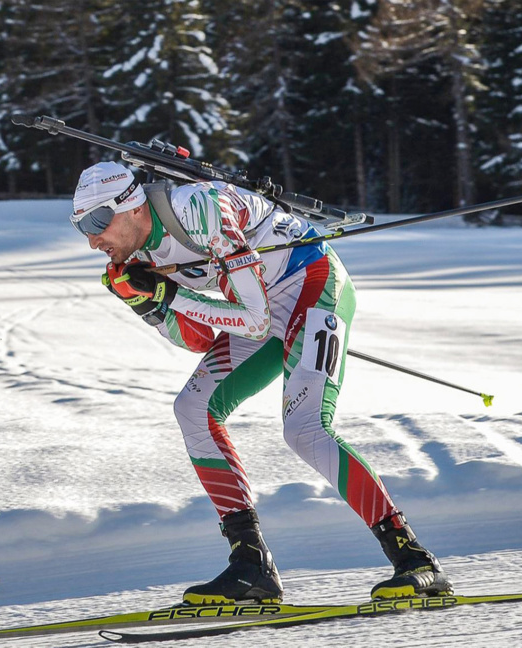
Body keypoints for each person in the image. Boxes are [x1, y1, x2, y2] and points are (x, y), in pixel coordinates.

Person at [70, 161, 453, 605]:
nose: (92, 238)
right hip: (259, 311)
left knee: (305, 430)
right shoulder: (133, 257)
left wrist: (171, 294)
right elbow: (199, 339)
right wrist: (149, 305)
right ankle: (252, 565)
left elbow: (251, 321)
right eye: (80, 225)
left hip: (313, 282)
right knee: (193, 408)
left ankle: (415, 559)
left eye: (97, 221)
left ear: (133, 206)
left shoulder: (199, 208)